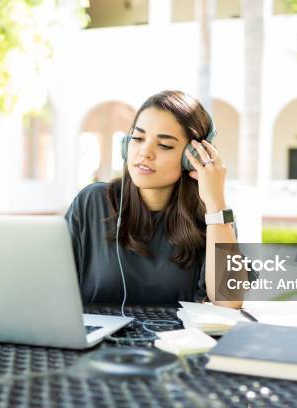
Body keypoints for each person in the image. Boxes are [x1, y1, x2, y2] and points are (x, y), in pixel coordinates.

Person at [65, 90, 240, 308]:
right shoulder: (91, 203)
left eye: (164, 145)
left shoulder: (213, 217)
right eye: (137, 138)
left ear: (192, 158)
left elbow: (229, 302)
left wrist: (215, 203)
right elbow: (50, 288)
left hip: (177, 341)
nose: (144, 153)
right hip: (97, 340)